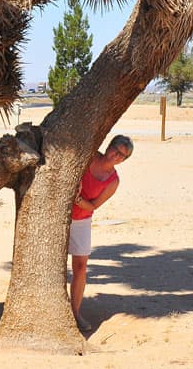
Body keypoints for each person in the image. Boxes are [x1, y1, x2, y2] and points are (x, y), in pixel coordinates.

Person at [68, 135, 133, 332]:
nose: (117, 156)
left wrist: (77, 198)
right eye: (116, 149)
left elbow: (94, 205)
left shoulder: (113, 181)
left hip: (81, 220)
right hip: (58, 216)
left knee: (80, 266)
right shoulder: (89, 156)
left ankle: (75, 312)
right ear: (109, 146)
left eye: (123, 155)